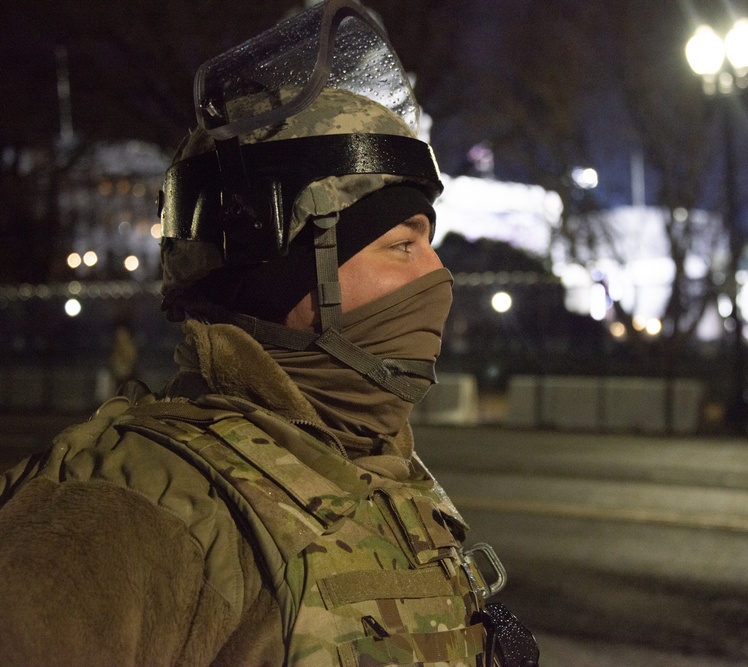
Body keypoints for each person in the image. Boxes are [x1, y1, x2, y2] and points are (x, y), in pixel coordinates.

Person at [0, 2, 537, 665]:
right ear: (284, 274)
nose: (438, 275)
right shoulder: (122, 513)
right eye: (402, 245)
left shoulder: (384, 470)